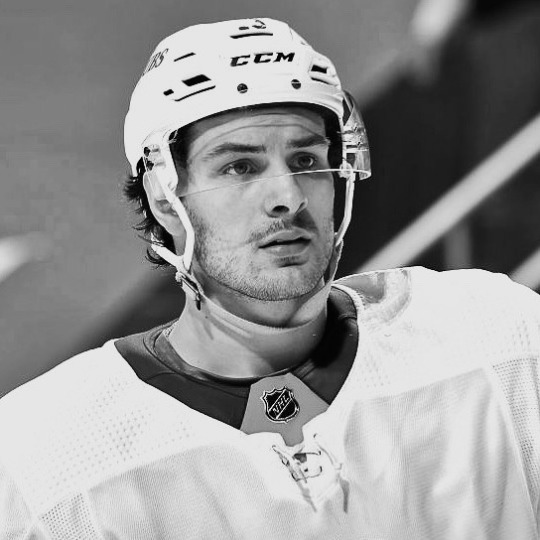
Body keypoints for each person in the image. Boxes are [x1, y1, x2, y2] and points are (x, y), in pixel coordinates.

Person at [1, 17, 539, 540]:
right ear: (165, 197)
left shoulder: (495, 336)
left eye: (306, 160)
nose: (289, 196)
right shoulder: (44, 459)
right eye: (240, 167)